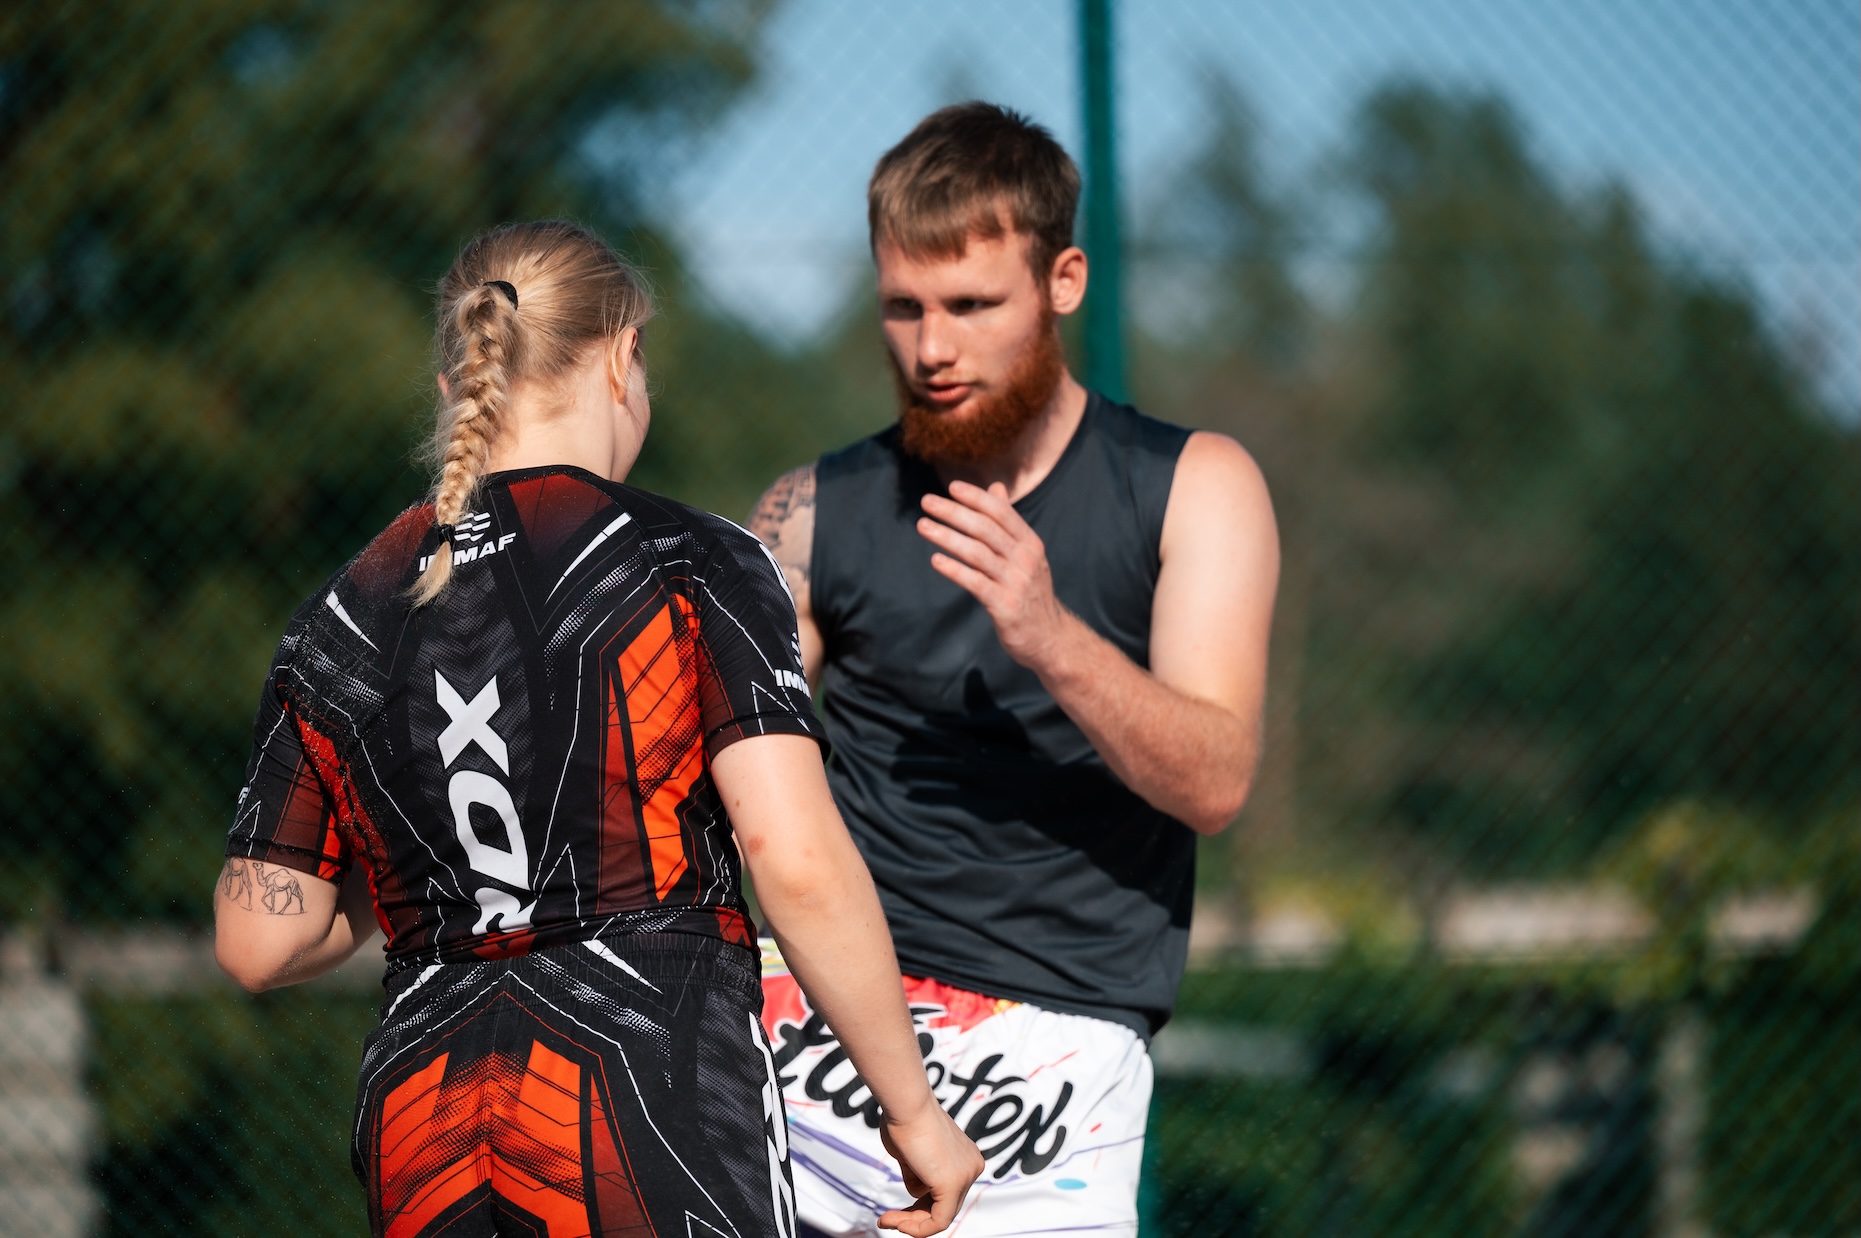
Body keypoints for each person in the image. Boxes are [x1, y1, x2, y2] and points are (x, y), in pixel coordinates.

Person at [213, 220, 982, 1238]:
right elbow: (794, 861)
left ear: (455, 386)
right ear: (624, 359)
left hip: (424, 1128)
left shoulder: (339, 616)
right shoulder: (694, 559)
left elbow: (258, 939)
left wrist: (441, 868)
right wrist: (913, 1110)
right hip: (650, 1099)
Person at [747, 104, 1280, 1234]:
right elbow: (718, 760)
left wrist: (1050, 633)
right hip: (830, 1017)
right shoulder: (812, 510)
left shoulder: (1196, 486)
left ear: (1062, 283)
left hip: (1061, 1044)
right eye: (904, 307)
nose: (931, 349)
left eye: (972, 306)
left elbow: (1216, 779)